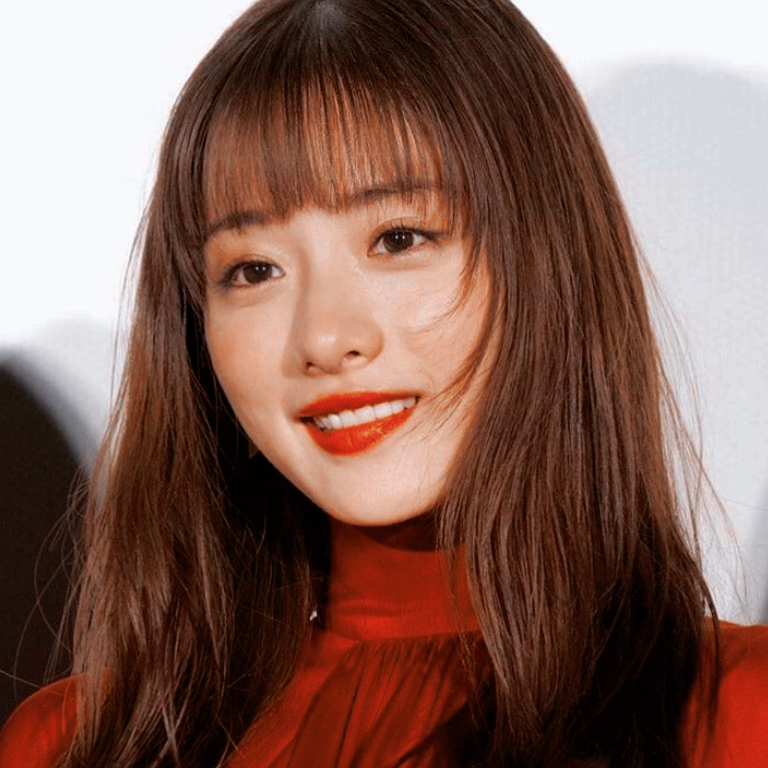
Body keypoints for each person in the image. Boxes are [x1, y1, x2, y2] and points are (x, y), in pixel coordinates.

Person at [1, 0, 767, 766]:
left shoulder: (736, 714)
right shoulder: (72, 744)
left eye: (398, 238)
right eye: (255, 270)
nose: (324, 339)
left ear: (545, 262)